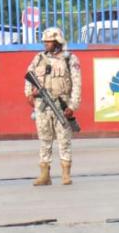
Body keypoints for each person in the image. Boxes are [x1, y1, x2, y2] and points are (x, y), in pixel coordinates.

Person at [24, 27, 81, 186]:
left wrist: (72, 105)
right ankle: (44, 174)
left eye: (49, 42)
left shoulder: (70, 59)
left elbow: (77, 85)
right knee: (44, 139)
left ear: (58, 42)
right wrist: (29, 94)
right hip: (42, 105)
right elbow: (29, 76)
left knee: (64, 140)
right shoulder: (38, 59)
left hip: (61, 105)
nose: (46, 44)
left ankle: (65, 173)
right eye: (45, 42)